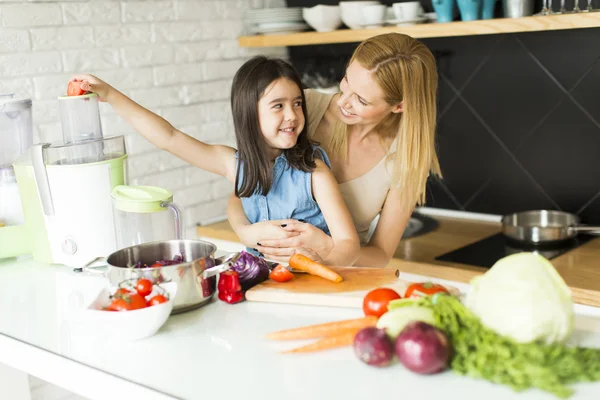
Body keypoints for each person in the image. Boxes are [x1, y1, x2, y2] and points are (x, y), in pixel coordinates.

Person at [71, 56, 360, 266]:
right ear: (250, 113)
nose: (292, 116)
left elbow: (349, 245)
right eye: (278, 106)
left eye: (297, 103)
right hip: (263, 281)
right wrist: (110, 95)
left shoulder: (314, 171)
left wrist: (320, 264)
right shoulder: (236, 166)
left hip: (312, 279)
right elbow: (169, 137)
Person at [227, 33, 442, 268]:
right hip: (271, 273)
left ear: (399, 105)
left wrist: (326, 246)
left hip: (340, 279)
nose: (342, 101)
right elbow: (245, 185)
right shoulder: (301, 111)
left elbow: (380, 255)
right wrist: (245, 232)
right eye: (347, 80)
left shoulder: (406, 159)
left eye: (361, 100)